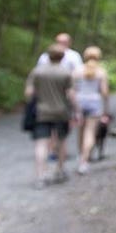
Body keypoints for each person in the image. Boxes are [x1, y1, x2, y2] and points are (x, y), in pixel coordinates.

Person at [25, 43, 76, 187]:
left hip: (41, 112)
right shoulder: (66, 73)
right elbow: (71, 94)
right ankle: (60, 169)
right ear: (63, 57)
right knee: (61, 141)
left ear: (48, 55)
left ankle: (41, 175)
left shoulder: (37, 72)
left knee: (41, 143)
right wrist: (76, 110)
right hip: (61, 112)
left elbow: (29, 92)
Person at [72, 46, 110, 175]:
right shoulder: (101, 72)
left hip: (79, 102)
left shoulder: (77, 70)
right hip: (94, 103)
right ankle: (84, 160)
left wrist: (73, 105)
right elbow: (104, 92)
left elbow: (73, 89)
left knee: (80, 131)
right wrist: (106, 108)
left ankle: (81, 154)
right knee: (90, 132)